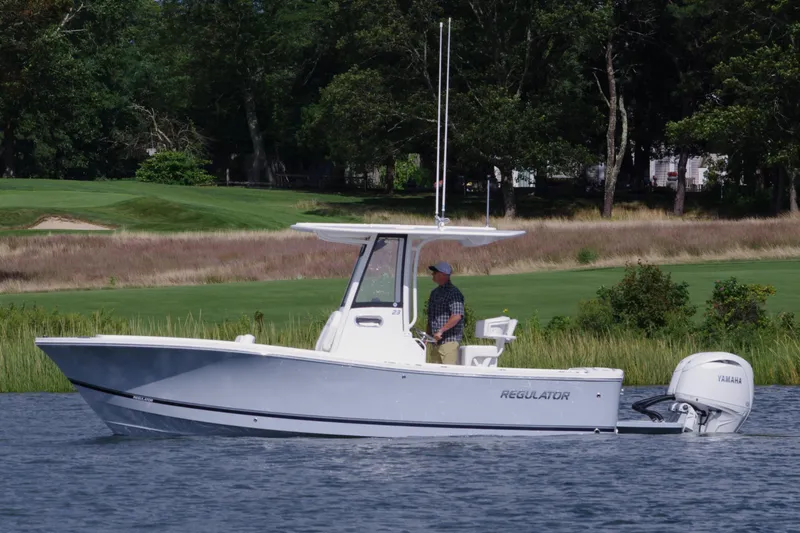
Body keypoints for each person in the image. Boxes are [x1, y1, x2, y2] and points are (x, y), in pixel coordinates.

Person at [426, 261, 465, 365]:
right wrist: (427, 336)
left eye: (434, 273)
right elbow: (431, 318)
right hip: (435, 343)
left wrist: (441, 331)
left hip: (449, 342)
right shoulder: (434, 293)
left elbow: (457, 316)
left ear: (442, 275)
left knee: (448, 373)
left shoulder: (454, 293)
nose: (432, 275)